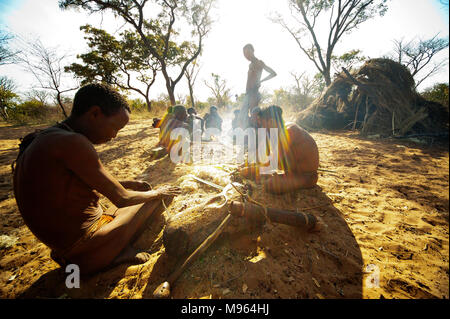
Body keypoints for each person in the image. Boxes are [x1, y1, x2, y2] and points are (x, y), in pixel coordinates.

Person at [12, 83, 181, 275]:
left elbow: (78, 182)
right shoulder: (73, 142)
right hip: (85, 247)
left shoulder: (46, 137)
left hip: (63, 247)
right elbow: (122, 198)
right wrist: (158, 192)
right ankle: (110, 254)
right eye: (115, 127)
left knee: (142, 191)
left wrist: (126, 184)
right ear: (95, 114)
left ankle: (97, 250)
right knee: (155, 199)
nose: (114, 136)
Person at [239, 105, 319, 194]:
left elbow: (273, 163)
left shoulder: (289, 131)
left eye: (262, 123)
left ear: (271, 122)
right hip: (292, 173)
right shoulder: (275, 132)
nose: (261, 126)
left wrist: (250, 170)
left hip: (306, 177)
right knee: (260, 174)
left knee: (271, 185)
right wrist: (248, 162)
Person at [238, 44, 277, 128]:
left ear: (253, 51)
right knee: (243, 116)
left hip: (254, 93)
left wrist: (261, 80)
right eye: (244, 54)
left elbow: (273, 73)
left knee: (254, 116)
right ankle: (249, 135)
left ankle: (258, 136)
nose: (246, 55)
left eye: (248, 52)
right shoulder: (250, 64)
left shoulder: (259, 62)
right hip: (248, 93)